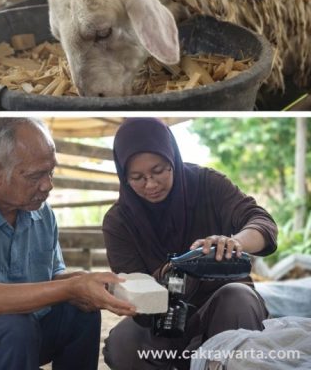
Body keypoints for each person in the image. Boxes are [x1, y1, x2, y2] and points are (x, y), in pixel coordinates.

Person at [0, 117, 137, 370]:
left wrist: (85, 282)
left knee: (80, 310)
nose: (47, 185)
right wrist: (73, 287)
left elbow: (53, 279)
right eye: (35, 175)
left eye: (50, 171)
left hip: (20, 334)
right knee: (14, 328)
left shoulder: (40, 211)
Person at [102, 118, 278, 369]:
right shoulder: (118, 222)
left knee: (237, 297)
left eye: (159, 170)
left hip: (224, 310)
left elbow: (262, 222)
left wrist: (234, 242)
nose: (150, 184)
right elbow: (135, 291)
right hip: (162, 317)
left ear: (172, 158)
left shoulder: (208, 184)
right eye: (137, 177)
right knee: (122, 344)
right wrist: (170, 274)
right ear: (123, 176)